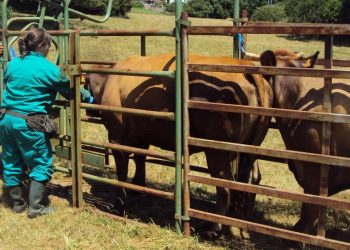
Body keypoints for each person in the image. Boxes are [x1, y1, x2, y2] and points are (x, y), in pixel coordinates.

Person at [0, 28, 93, 218]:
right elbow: (69, 89)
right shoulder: (49, 68)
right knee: (41, 163)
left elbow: (9, 81)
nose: (49, 49)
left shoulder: (13, 64)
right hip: (29, 122)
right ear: (41, 45)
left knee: (11, 161)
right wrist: (89, 97)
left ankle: (17, 204)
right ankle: (36, 207)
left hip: (5, 119)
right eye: (48, 45)